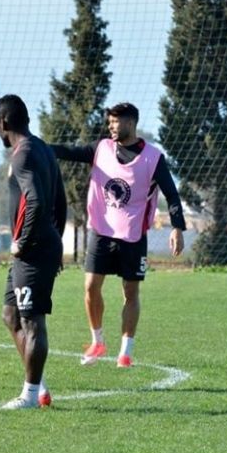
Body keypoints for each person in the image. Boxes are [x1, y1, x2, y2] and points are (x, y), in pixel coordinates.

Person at [51, 102, 186, 368]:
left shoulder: (153, 158)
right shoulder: (101, 149)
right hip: (101, 230)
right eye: (109, 122)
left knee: (130, 291)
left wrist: (177, 228)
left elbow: (171, 194)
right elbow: (69, 151)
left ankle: (126, 351)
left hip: (133, 234)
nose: (111, 126)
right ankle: (97, 341)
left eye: (116, 122)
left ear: (131, 123)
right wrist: (35, 145)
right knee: (91, 287)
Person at [0, 95, 67, 410]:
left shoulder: (22, 155)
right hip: (42, 245)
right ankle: (38, 386)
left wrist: (23, 241)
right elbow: (61, 202)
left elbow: (37, 200)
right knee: (10, 315)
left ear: (3, 123)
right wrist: (57, 239)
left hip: (33, 249)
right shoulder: (44, 150)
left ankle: (29, 394)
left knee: (32, 321)